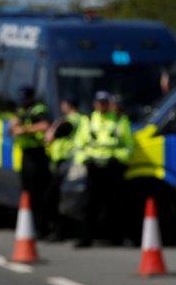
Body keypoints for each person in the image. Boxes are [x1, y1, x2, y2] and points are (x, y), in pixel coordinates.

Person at [73, 91, 134, 248]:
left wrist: (118, 159)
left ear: (109, 104)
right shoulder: (88, 120)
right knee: (89, 204)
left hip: (112, 168)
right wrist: (85, 160)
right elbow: (79, 144)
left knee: (115, 204)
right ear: (95, 104)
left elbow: (128, 146)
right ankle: (85, 238)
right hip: (93, 167)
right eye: (99, 102)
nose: (102, 105)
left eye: (105, 102)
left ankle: (117, 238)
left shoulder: (120, 120)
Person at [8, 86, 51, 237]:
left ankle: (42, 227)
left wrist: (24, 129)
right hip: (25, 155)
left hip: (37, 154)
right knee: (26, 192)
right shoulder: (21, 110)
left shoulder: (38, 109)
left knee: (38, 192)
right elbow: (12, 126)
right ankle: (28, 225)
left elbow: (44, 125)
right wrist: (13, 125)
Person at [44, 99, 84, 240]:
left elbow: (58, 133)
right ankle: (60, 230)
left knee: (57, 197)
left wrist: (52, 132)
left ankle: (60, 231)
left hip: (67, 162)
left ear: (68, 105)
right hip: (63, 162)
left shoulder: (72, 120)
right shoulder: (71, 119)